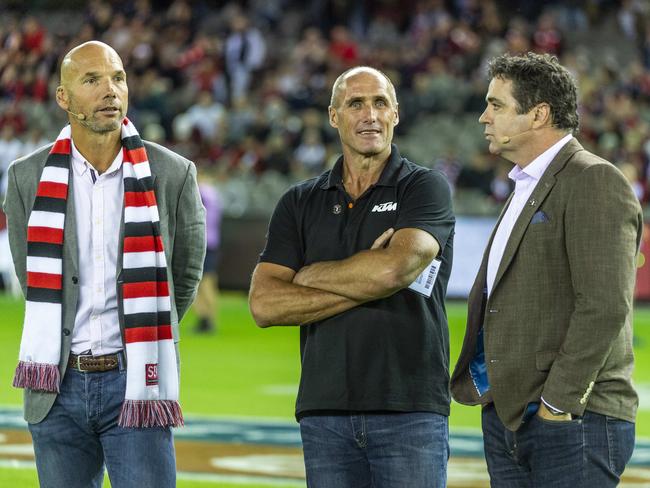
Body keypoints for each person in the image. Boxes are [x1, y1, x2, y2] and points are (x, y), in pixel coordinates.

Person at [3, 41, 205, 488]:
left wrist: (145, 330)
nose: (109, 90)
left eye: (118, 78)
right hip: (57, 387)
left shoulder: (173, 172)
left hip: (136, 381)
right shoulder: (27, 177)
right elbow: (29, 272)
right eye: (92, 80)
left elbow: (185, 276)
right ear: (63, 97)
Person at [248, 66, 455, 488]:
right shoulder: (300, 201)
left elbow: (396, 267)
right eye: (356, 103)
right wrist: (371, 281)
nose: (370, 115)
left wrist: (308, 276)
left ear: (396, 114)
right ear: (333, 116)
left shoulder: (425, 188)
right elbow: (264, 304)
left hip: (409, 409)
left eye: (380, 103)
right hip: (325, 411)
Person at [450, 52, 641, 488]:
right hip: (513, 416)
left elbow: (605, 306)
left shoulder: (594, 180)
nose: (484, 117)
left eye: (496, 105)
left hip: (573, 420)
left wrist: (557, 404)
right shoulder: (525, 183)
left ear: (538, 114)